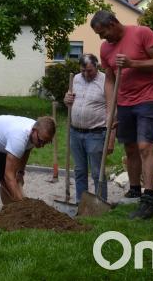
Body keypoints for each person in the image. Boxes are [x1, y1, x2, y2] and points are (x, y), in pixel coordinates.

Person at [91, 10, 153, 219]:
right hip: (124, 101)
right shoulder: (105, 48)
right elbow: (109, 79)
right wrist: (111, 108)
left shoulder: (142, 33)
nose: (102, 38)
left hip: (148, 99)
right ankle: (134, 189)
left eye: (103, 32)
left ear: (114, 23)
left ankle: (149, 199)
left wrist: (133, 64)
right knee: (130, 147)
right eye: (98, 34)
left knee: (145, 146)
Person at [0, 115, 57, 217]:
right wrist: (24, 204)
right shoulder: (19, 138)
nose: (42, 145)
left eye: (46, 142)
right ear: (33, 130)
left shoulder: (36, 134)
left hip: (1, 143)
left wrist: (20, 172)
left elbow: (27, 149)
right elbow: (8, 175)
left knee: (8, 183)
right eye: (41, 141)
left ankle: (11, 217)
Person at [63, 54, 110, 203]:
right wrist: (66, 100)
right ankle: (80, 202)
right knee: (79, 170)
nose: (85, 74)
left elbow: (112, 107)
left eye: (89, 71)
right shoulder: (75, 79)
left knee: (97, 171)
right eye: (83, 70)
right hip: (75, 132)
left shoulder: (105, 81)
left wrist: (112, 137)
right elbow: (69, 100)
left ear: (97, 66)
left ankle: (100, 202)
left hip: (96, 133)